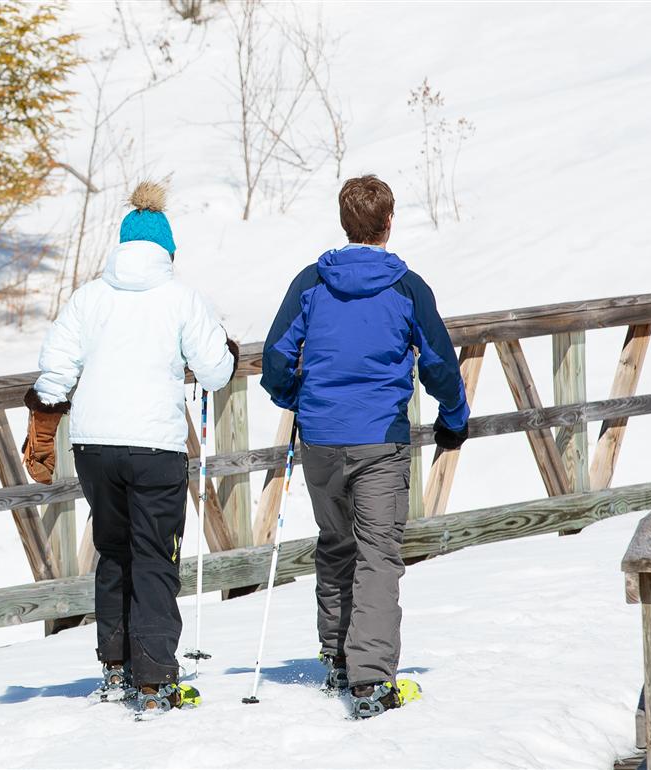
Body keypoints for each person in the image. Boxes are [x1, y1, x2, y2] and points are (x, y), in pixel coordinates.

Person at [21, 181, 235, 717]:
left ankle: (115, 666)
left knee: (114, 551)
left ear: (121, 246)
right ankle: (154, 677)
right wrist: (225, 349)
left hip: (94, 447)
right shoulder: (181, 298)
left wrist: (44, 427)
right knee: (155, 558)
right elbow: (213, 370)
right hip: (154, 448)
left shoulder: (89, 296)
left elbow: (56, 368)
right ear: (167, 250)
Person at [259, 175, 469, 719]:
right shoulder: (406, 287)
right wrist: (454, 417)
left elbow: (278, 354)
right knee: (377, 555)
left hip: (322, 436)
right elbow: (440, 362)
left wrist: (293, 397)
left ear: (344, 220)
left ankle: (336, 656)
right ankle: (371, 678)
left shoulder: (311, 281)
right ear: (389, 221)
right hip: (379, 437)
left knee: (335, 544)